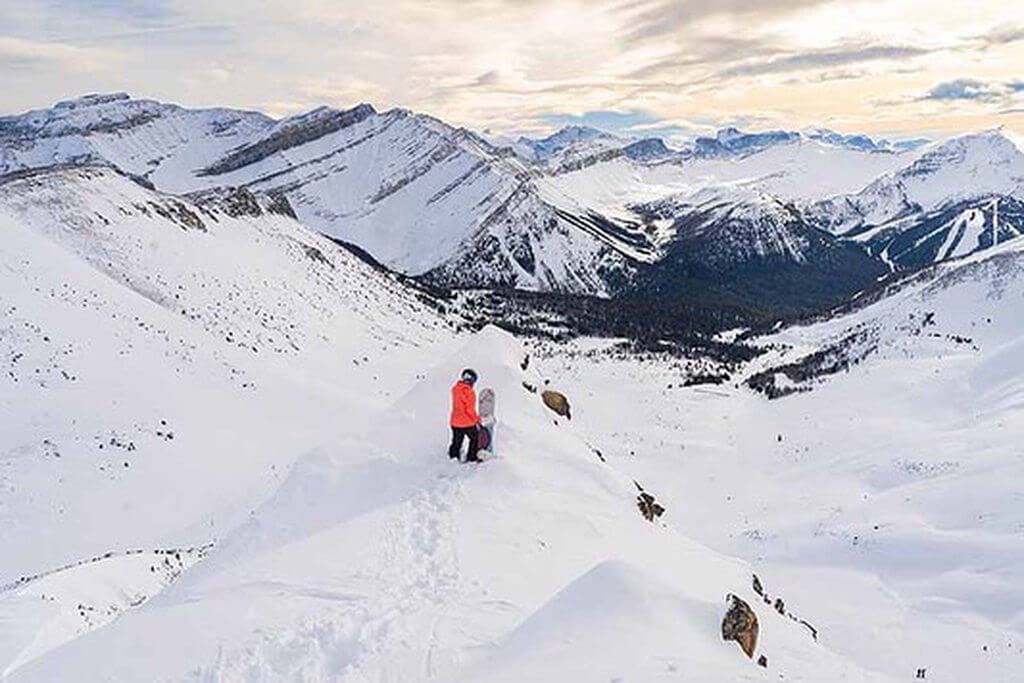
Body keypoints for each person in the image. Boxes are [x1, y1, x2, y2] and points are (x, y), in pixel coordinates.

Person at [449, 368, 481, 462]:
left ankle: (453, 457)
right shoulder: (469, 392)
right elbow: (469, 410)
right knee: (475, 438)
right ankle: (472, 457)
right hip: (466, 422)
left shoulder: (455, 389)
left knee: (457, 441)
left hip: (454, 422)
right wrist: (477, 420)